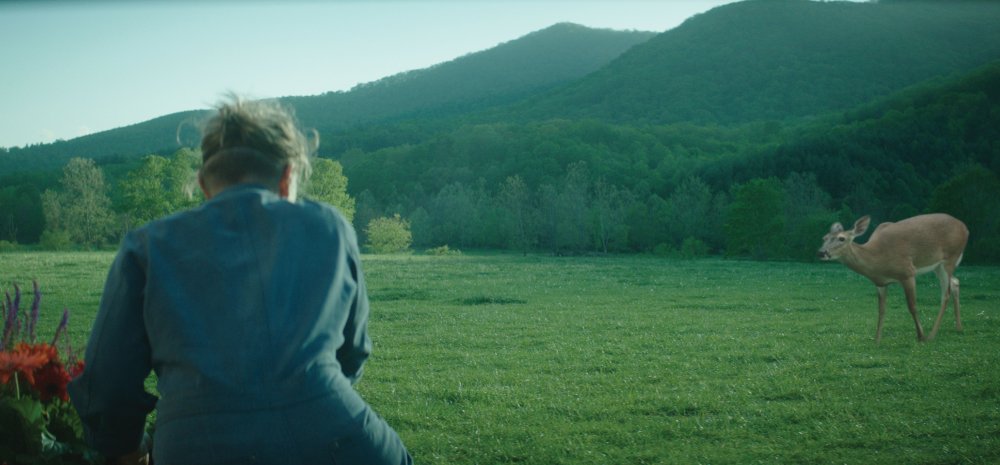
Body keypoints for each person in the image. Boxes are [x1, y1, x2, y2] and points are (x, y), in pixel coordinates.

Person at [68, 95, 413, 465]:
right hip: (343, 443)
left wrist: (124, 449)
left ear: (203, 184)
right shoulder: (331, 228)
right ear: (287, 176)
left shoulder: (146, 248)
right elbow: (353, 351)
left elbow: (107, 384)